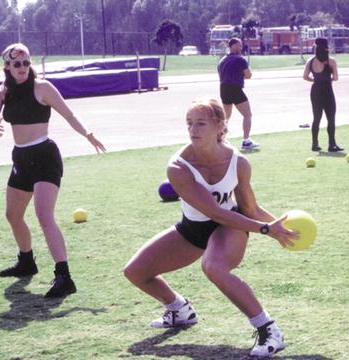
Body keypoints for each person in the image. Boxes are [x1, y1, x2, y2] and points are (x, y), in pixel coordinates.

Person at [124, 98, 298, 358]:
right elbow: (212, 210)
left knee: (214, 266)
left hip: (229, 227)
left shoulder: (238, 162)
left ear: (219, 125)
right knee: (135, 272)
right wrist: (265, 229)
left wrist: (279, 227)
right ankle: (179, 309)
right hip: (193, 229)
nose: (193, 130)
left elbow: (248, 208)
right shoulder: (178, 167)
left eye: (201, 123)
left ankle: (269, 330)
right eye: (189, 124)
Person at [0, 43, 106, 298]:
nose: (23, 68)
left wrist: (88, 133)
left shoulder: (43, 88)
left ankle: (64, 277)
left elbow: (69, 115)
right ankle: (27, 261)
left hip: (44, 156)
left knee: (43, 214)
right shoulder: (2, 92)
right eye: (17, 63)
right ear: (7, 66)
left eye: (27, 62)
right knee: (12, 215)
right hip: (21, 157)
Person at [303, 37, 344, 152]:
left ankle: (315, 144)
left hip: (315, 90)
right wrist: (328, 78)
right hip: (327, 90)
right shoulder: (331, 61)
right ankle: (332, 144)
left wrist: (315, 80)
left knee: (316, 118)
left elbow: (305, 76)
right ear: (326, 47)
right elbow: (335, 78)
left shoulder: (310, 61)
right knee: (331, 118)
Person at [217, 38, 258, 150]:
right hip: (235, 89)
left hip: (223, 89)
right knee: (247, 114)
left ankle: (220, 140)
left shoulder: (222, 60)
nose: (241, 48)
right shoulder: (240, 59)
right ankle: (246, 141)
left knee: (226, 117)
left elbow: (220, 75)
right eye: (239, 45)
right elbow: (248, 75)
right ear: (233, 45)